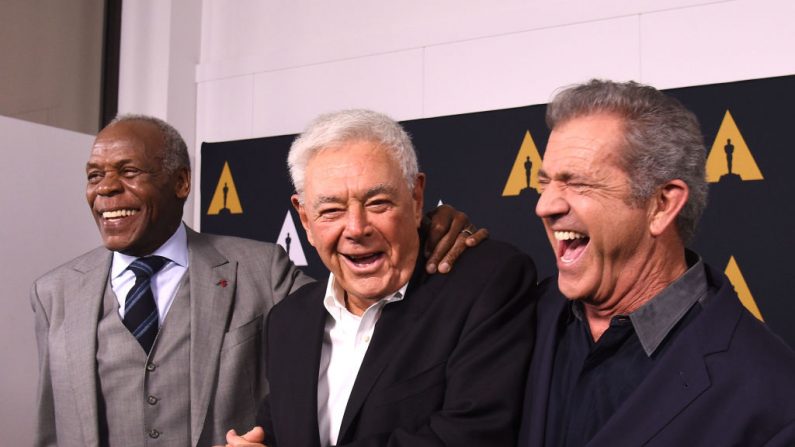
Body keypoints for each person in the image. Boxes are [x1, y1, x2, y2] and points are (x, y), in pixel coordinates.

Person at [30, 115, 487, 447]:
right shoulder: (54, 292)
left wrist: (427, 229)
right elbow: (52, 424)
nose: (106, 188)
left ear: (182, 182)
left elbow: (363, 305)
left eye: (129, 172)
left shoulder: (261, 268)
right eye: (95, 175)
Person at [223, 109, 537, 446]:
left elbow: (471, 436)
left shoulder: (487, 284)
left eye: (378, 203)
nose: (356, 229)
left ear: (416, 199)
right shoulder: (288, 321)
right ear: (305, 219)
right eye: (331, 210)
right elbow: (280, 432)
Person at [519, 79, 795, 446]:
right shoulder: (517, 316)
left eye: (579, 184)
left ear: (662, 205)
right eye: (546, 183)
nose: (545, 205)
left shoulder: (771, 394)